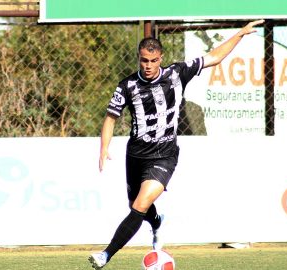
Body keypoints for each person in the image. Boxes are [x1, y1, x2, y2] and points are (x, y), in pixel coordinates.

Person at [89, 19, 265, 269]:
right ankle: (157, 221)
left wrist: (240, 34)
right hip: (136, 155)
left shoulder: (176, 73)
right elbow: (110, 118)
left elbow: (214, 57)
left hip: (164, 155)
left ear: (160, 58)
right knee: (135, 205)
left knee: (139, 205)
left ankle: (106, 254)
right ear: (138, 58)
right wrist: (104, 148)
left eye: (153, 60)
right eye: (143, 60)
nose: (148, 66)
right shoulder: (127, 85)